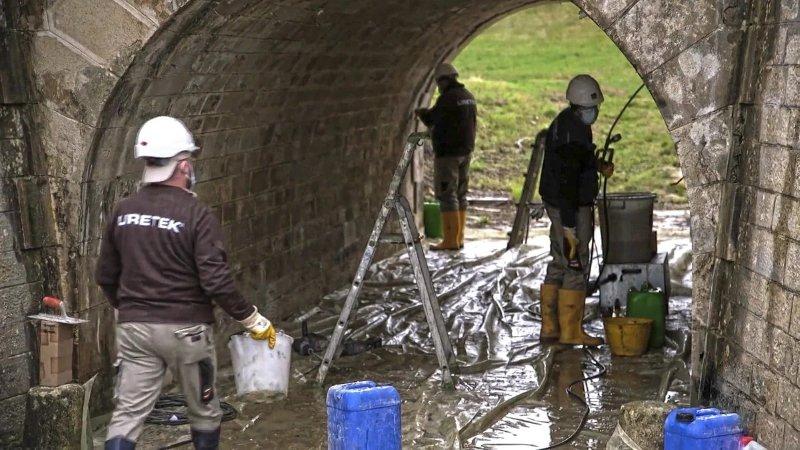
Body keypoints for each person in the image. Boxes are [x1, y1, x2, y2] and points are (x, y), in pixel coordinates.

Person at [96, 116, 276, 450]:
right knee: (204, 412)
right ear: (181, 165)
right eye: (189, 161)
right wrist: (251, 319)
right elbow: (216, 280)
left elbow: (105, 276)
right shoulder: (196, 214)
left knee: (128, 416)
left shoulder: (123, 211)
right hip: (187, 330)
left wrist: (135, 309)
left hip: (136, 328)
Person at [538, 75, 614, 346]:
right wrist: (570, 227)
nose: (595, 113)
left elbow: (579, 158)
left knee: (560, 259)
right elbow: (568, 182)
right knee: (575, 260)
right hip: (569, 207)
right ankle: (570, 331)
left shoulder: (568, 123)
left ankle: (550, 328)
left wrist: (596, 165)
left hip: (558, 204)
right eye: (591, 109)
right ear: (580, 107)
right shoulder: (573, 134)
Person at [416, 62, 477, 251]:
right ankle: (458, 239)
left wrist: (421, 112)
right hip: (465, 152)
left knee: (447, 194)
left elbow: (432, 118)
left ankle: (450, 241)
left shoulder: (448, 99)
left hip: (448, 154)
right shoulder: (468, 97)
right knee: (460, 194)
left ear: (443, 81)